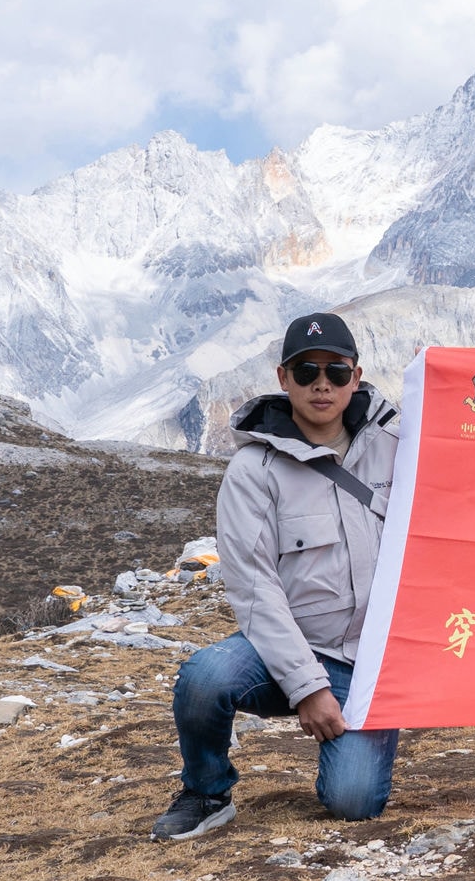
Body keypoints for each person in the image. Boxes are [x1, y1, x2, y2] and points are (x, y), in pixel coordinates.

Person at [152, 311, 402, 840]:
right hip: (291, 650)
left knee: (353, 803)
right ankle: (206, 791)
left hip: (372, 664)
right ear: (283, 377)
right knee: (204, 679)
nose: (321, 384)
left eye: (336, 371)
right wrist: (307, 686)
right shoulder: (252, 472)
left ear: (357, 377)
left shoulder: (401, 448)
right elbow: (254, 589)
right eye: (306, 370)